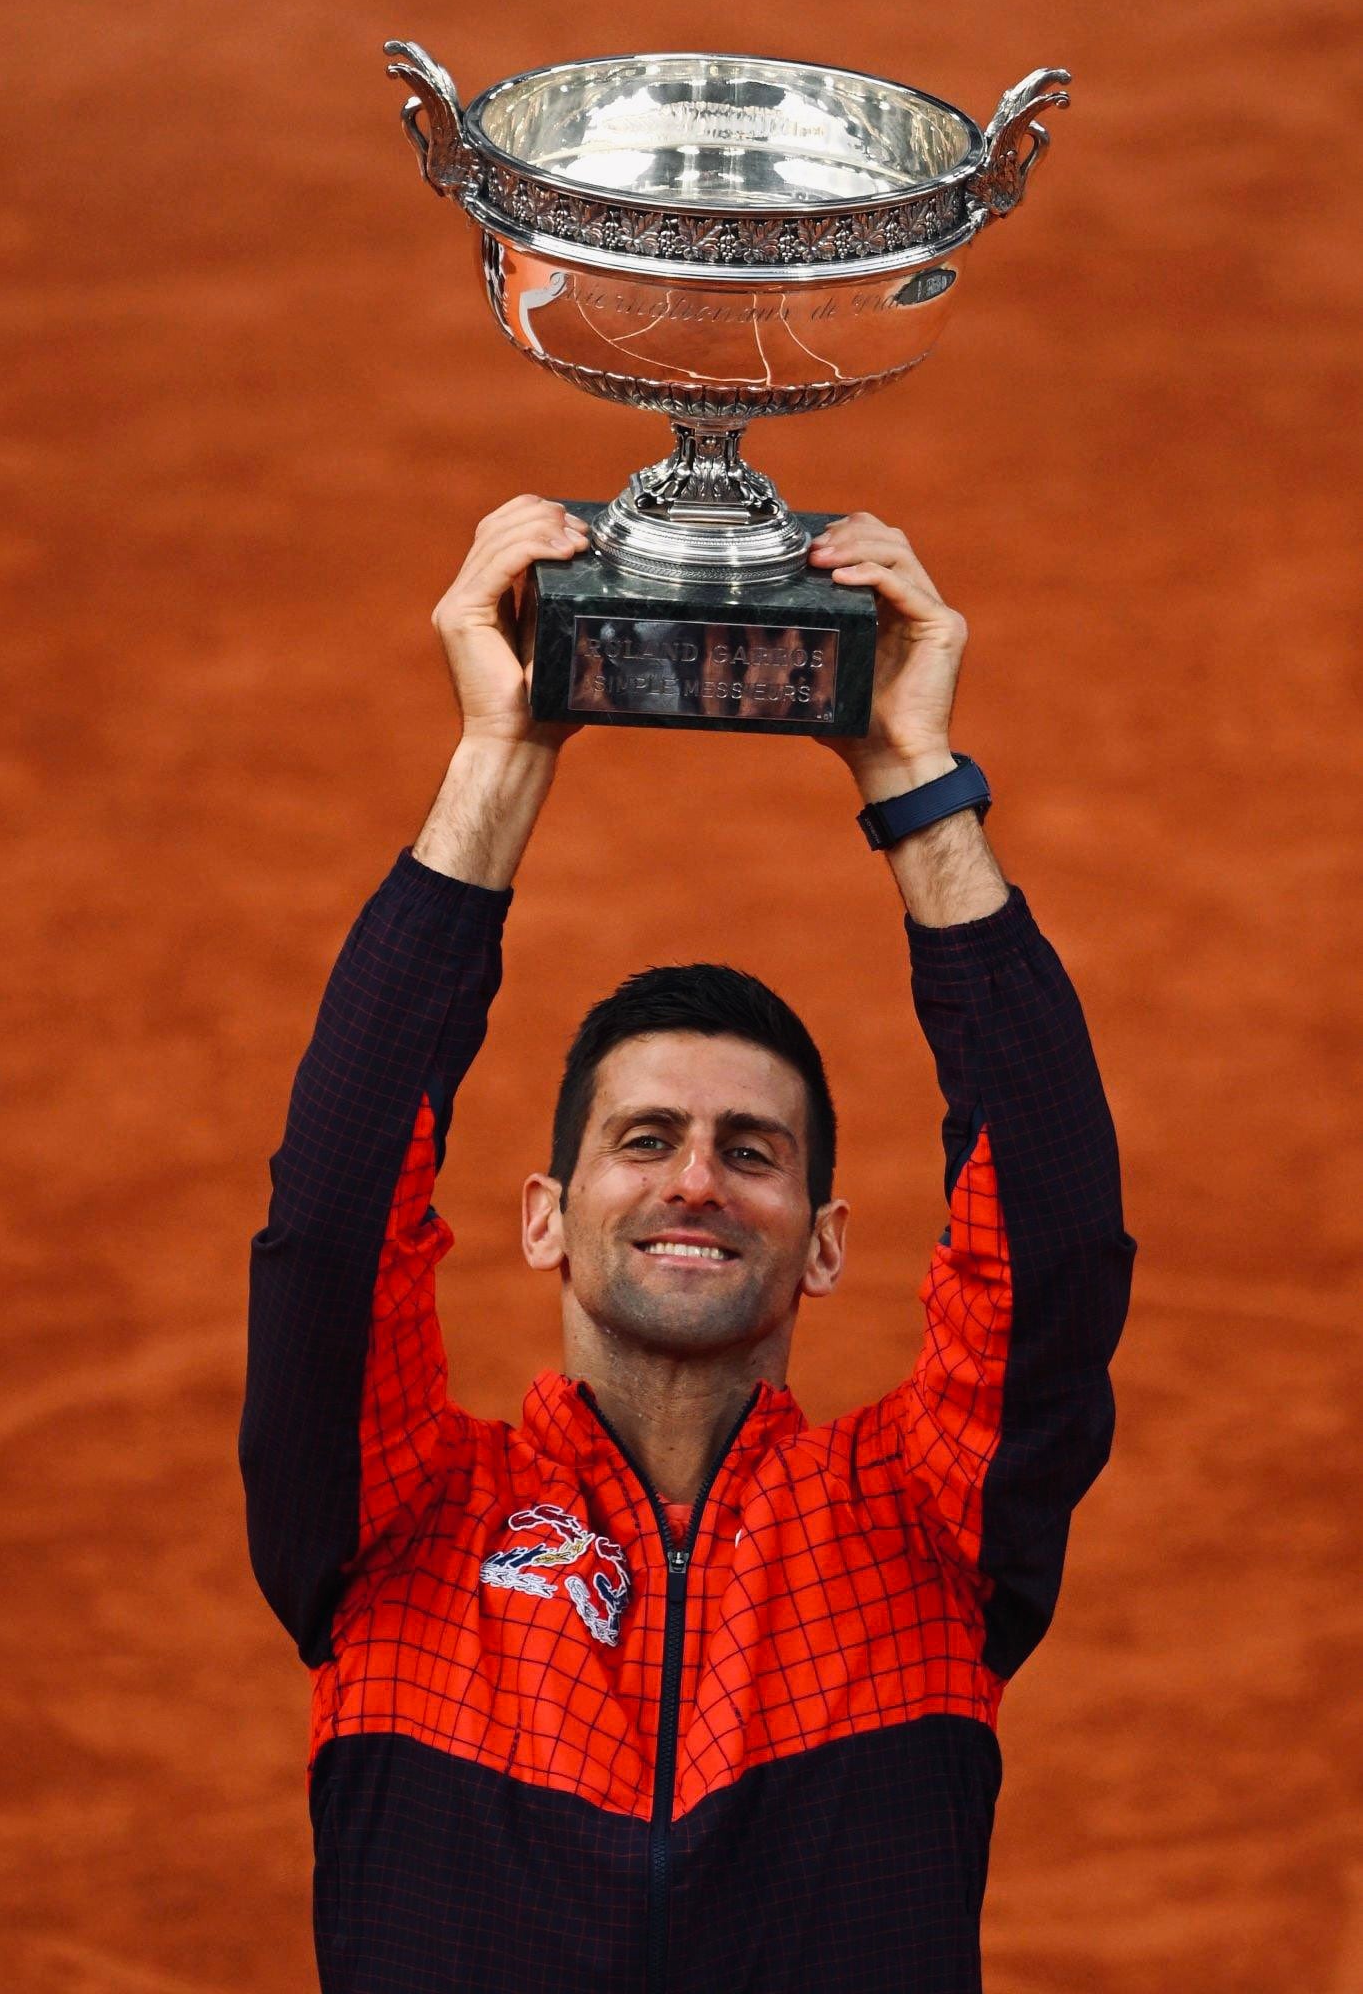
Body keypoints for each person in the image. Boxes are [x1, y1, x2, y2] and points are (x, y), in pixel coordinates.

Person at [240, 496, 1136, 1994]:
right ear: (545, 1215)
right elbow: (329, 1234)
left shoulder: (919, 1534)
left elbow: (1052, 1243)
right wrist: (499, 760)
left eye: (754, 1151)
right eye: (645, 1138)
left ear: (826, 1244)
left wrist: (914, 777)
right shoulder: (402, 1526)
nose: (699, 1182)